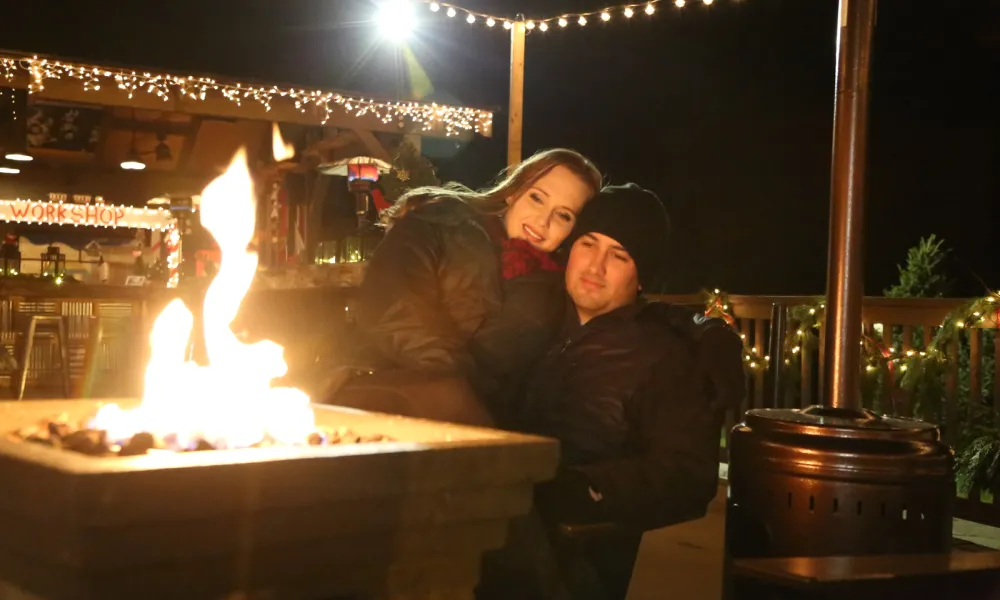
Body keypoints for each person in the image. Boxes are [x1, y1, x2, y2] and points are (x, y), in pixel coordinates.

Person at [482, 184, 746, 600]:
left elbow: (688, 475)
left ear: (641, 276)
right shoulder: (535, 317)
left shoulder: (664, 356)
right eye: (588, 243)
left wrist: (588, 485)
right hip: (490, 510)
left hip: (572, 552)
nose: (596, 265)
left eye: (619, 256)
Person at [321, 149, 603, 425]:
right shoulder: (440, 222)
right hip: (388, 384)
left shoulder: (556, 287)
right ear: (514, 191)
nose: (543, 221)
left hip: (480, 416)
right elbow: (394, 309)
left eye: (563, 215)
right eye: (537, 198)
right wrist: (457, 388)